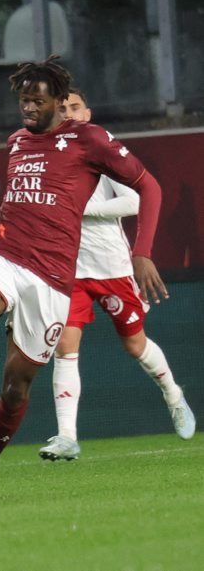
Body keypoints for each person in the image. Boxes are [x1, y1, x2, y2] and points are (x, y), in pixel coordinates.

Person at [0, 56, 167, 503]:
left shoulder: (89, 140)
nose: (27, 108)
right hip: (3, 253)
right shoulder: (17, 142)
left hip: (53, 277)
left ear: (60, 103)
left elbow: (149, 186)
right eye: (23, 100)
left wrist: (142, 252)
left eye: (36, 101)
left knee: (16, 385)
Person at [38, 90, 195, 460]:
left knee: (135, 345)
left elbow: (134, 200)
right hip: (69, 270)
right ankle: (66, 436)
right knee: (64, 348)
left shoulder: (100, 149)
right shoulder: (44, 155)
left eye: (75, 107)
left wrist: (82, 211)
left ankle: (173, 394)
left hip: (112, 268)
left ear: (88, 113)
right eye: (62, 109)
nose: (68, 113)